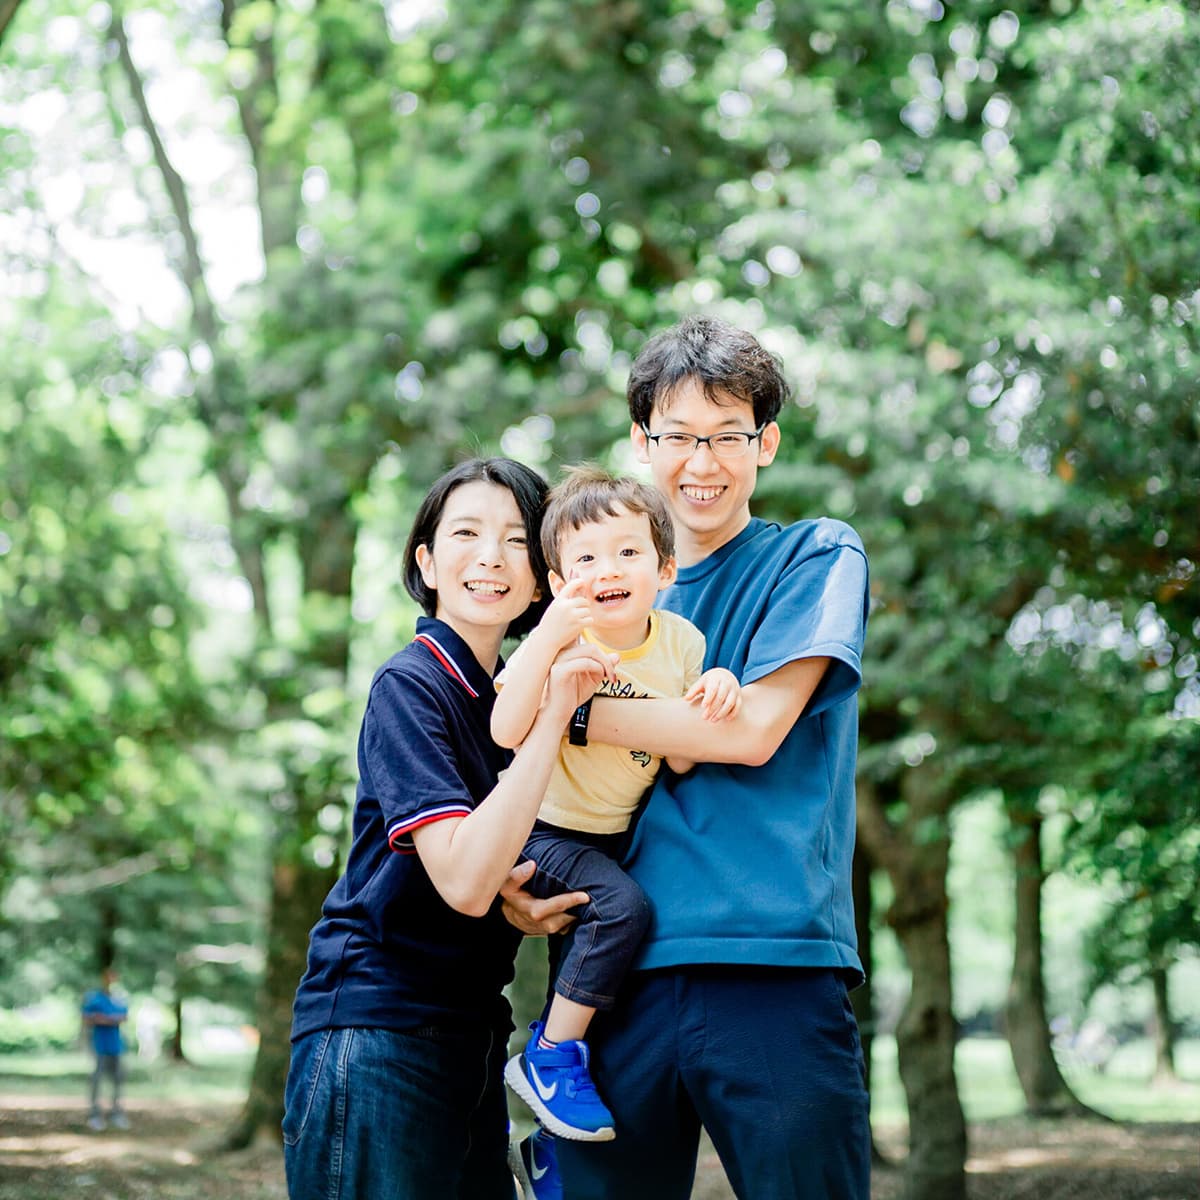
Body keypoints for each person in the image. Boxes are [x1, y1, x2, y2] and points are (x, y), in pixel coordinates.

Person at [504, 316, 872, 1200]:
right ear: (642, 442)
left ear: (766, 443)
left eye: (727, 437)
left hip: (772, 962)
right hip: (607, 974)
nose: (700, 464)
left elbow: (749, 733)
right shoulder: (586, 588)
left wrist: (572, 710)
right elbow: (505, 739)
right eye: (677, 437)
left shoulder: (814, 555)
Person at [283, 458, 608, 1200]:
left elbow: (491, 863)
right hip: (377, 1031)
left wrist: (512, 900)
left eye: (517, 540)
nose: (490, 557)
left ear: (544, 578)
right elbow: (462, 877)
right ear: (428, 562)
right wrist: (554, 717)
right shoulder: (413, 684)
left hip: (472, 1034)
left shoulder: (513, 703)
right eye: (466, 533)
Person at [492, 467, 740, 1144]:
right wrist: (545, 645)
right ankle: (546, 1056)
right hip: (541, 831)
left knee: (596, 973)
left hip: (609, 838)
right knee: (623, 910)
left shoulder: (682, 643)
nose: (609, 568)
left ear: (663, 570)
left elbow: (683, 755)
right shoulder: (563, 639)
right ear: (557, 580)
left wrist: (715, 686)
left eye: (628, 552)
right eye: (586, 558)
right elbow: (504, 730)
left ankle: (549, 1152)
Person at [81, 966, 129, 1131]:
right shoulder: (94, 998)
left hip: (116, 1046)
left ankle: (116, 1113)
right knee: (97, 1079)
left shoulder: (119, 998)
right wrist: (107, 1019)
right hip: (99, 1045)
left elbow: (124, 1017)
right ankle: (94, 1114)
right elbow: (87, 1018)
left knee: (117, 1079)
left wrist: (104, 1018)